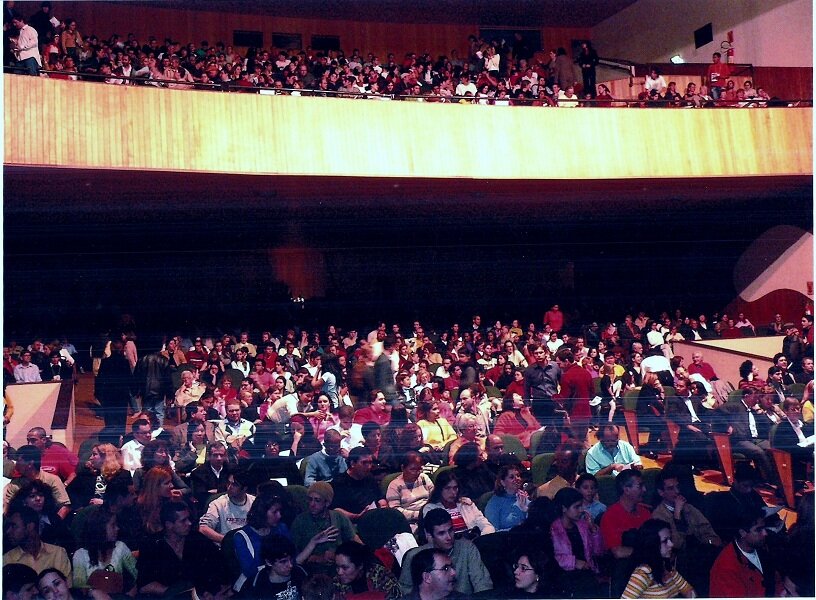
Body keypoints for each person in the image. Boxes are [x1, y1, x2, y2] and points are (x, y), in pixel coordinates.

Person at [136, 501, 230, 597]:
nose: (189, 523)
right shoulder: (152, 546)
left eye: (189, 519)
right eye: (183, 520)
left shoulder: (197, 539)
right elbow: (145, 585)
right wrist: (182, 594)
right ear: (169, 525)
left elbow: (219, 567)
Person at [399, 508, 492, 596]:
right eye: (441, 533)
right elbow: (405, 591)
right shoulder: (414, 556)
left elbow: (483, 585)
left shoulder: (467, 548)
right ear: (429, 534)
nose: (449, 537)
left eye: (450, 530)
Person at [290, 481, 360, 575]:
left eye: (317, 500)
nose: (312, 504)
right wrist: (317, 558)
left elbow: (354, 541)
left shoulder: (338, 517)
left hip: (338, 568)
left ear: (327, 503)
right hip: (311, 571)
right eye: (310, 499)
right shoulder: (300, 521)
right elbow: (293, 556)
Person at [601, 469, 651, 596]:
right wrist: (648, 552)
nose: (644, 490)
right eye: (640, 486)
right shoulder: (610, 515)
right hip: (625, 572)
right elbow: (618, 552)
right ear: (626, 489)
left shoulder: (646, 512)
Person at [709, 508, 778, 597]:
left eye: (764, 528)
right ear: (742, 533)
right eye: (758, 530)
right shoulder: (726, 567)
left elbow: (777, 580)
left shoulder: (762, 548)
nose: (765, 533)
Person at [550, 487, 604, 598]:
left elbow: (598, 551)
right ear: (564, 508)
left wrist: (594, 531)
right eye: (577, 507)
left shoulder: (582, 526)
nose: (581, 510)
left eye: (581, 506)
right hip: (564, 575)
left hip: (587, 572)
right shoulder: (553, 529)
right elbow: (552, 556)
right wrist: (574, 562)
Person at [621, 519, 695, 598]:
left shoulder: (665, 566)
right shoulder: (642, 573)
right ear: (652, 544)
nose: (671, 544)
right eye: (665, 541)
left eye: (670, 539)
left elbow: (687, 589)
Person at [71, 507, 137, 593]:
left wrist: (132, 592)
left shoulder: (121, 547)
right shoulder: (80, 555)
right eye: (113, 525)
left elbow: (136, 573)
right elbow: (79, 585)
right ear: (100, 529)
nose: (117, 528)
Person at [3, 506, 72, 584]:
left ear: (30, 526)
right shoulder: (7, 560)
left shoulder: (58, 553)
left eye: (13, 526)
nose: (8, 531)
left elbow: (67, 589)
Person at [421, 469, 494, 538]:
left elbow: (486, 525)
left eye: (455, 488)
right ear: (439, 490)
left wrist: (481, 540)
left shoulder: (466, 503)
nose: (453, 492)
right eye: (447, 488)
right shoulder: (431, 508)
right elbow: (432, 537)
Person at [4, 445, 71, 519]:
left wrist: (54, 524)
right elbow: (7, 508)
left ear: (30, 463)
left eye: (18, 461)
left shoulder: (52, 480)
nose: (16, 464)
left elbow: (64, 507)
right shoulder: (15, 484)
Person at [199, 469, 255, 545]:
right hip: (225, 549)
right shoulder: (218, 504)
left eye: (234, 485)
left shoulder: (254, 503)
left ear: (245, 488)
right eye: (228, 483)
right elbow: (203, 528)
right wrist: (228, 541)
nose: (229, 487)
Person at [330, 446, 385, 522]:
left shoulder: (370, 478)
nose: (369, 467)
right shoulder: (339, 482)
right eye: (364, 463)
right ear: (352, 463)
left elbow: (380, 497)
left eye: (370, 462)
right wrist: (357, 516)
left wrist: (382, 505)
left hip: (374, 518)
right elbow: (336, 510)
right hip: (351, 523)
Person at [333, 540, 402, 599]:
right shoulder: (337, 584)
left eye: (344, 568)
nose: (339, 572)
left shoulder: (381, 577)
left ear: (360, 566)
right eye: (337, 567)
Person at [94, 340, 133, 442]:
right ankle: (120, 441)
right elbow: (129, 379)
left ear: (111, 348)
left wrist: (98, 394)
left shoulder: (105, 362)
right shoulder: (125, 362)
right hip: (122, 396)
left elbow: (100, 380)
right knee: (121, 420)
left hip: (108, 396)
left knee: (110, 419)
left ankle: (109, 441)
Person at [249, 535, 308, 599]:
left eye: (291, 559)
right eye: (283, 562)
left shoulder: (299, 572)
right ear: (269, 562)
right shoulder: (260, 583)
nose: (290, 565)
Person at [386, 450, 434, 528]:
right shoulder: (394, 485)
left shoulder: (423, 478)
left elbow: (434, 497)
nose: (417, 472)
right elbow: (395, 510)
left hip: (428, 515)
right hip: (409, 522)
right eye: (413, 469)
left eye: (419, 469)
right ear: (403, 468)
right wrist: (418, 515)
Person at [484, 464, 528, 531]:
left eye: (518, 476)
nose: (517, 479)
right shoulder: (494, 503)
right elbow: (493, 531)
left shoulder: (523, 497)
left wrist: (526, 510)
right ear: (503, 482)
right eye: (511, 477)